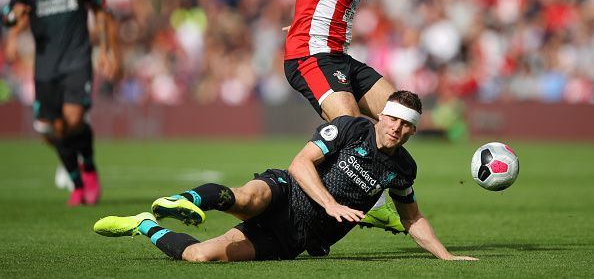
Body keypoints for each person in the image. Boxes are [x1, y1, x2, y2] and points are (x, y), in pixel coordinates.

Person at [93, 91, 477, 262]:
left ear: (413, 131)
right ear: (382, 115)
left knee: (199, 256)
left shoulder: (403, 168)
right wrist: (331, 203)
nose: (395, 127)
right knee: (246, 197)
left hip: (294, 236)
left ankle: (144, 225)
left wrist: (446, 256)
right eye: (392, 118)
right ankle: (187, 200)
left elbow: (412, 218)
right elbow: (300, 164)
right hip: (287, 191)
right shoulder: (348, 128)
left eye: (405, 124)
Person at [283, 0, 410, 233]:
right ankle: (321, 209)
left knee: (400, 115)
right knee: (349, 127)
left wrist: (300, 20)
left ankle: (374, 200)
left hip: (336, 56)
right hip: (311, 56)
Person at [1, 0, 120, 206]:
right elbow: (13, 13)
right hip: (45, 64)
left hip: (77, 58)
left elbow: (100, 10)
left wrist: (105, 49)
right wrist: (13, 32)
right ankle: (76, 183)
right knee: (52, 128)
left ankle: (89, 168)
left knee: (74, 118)